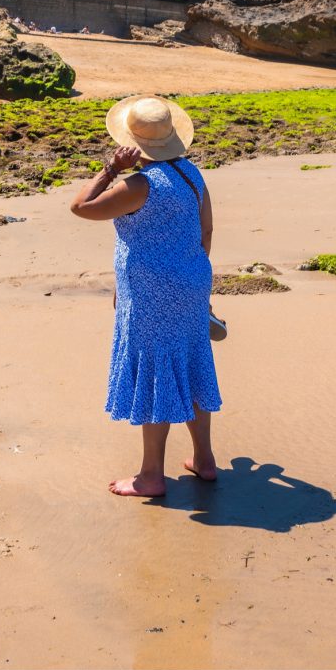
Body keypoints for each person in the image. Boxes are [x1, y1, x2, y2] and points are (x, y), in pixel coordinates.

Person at [70, 95, 221, 497]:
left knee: (157, 372)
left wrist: (110, 169)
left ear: (133, 145)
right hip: (191, 281)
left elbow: (81, 206)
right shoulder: (192, 175)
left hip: (151, 291)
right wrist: (192, 279)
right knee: (190, 364)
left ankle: (151, 476)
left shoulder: (138, 186)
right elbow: (206, 231)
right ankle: (204, 459)